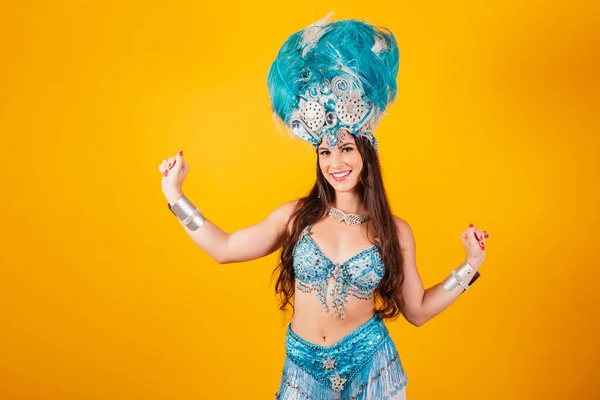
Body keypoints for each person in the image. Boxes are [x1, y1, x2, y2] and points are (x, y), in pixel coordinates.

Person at [157, 15, 489, 400]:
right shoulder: (297, 216)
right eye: (325, 151)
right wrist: (175, 196)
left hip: (371, 370)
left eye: (346, 148)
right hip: (303, 371)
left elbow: (417, 311)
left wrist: (470, 265)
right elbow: (224, 248)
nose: (336, 163)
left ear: (366, 153)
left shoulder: (394, 231)